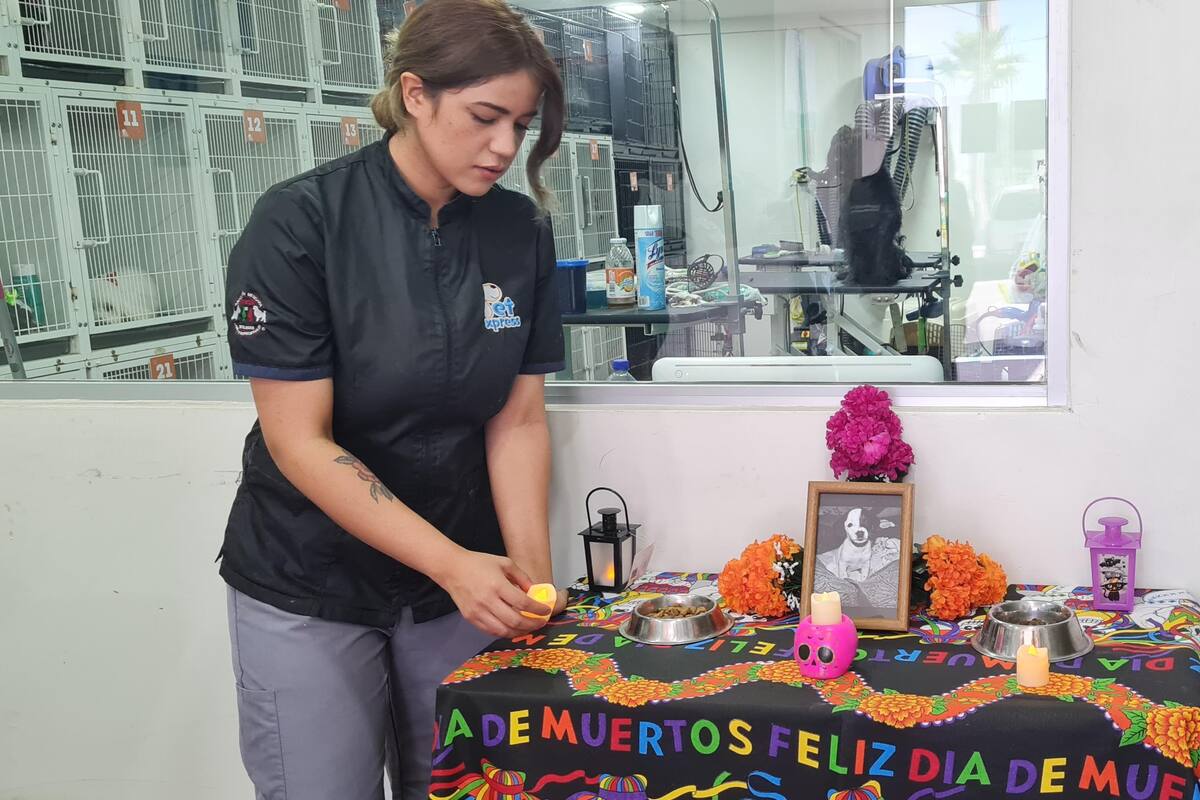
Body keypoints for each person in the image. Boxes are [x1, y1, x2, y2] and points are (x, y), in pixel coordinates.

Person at [215, 2, 568, 797]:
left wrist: (532, 584)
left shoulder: (518, 231)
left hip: (461, 587)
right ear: (415, 95)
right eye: (485, 118)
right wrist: (453, 566)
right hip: (312, 581)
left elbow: (515, 417)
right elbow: (299, 441)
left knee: (468, 785)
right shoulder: (301, 224)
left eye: (521, 122)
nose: (506, 147)